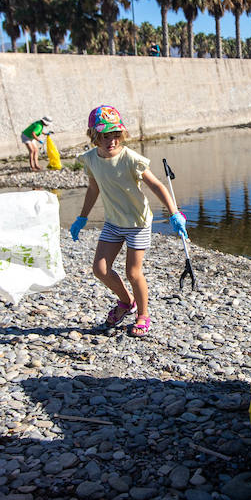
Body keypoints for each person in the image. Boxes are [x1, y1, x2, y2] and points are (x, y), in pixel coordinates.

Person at [69, 105, 187, 337]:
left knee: (133, 273)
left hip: (137, 223)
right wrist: (81, 217)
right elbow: (94, 189)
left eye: (115, 135)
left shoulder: (131, 159)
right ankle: (126, 302)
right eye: (105, 135)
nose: (111, 141)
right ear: (94, 135)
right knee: (100, 269)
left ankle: (143, 314)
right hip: (113, 222)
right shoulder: (91, 159)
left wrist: (174, 212)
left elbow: (157, 185)